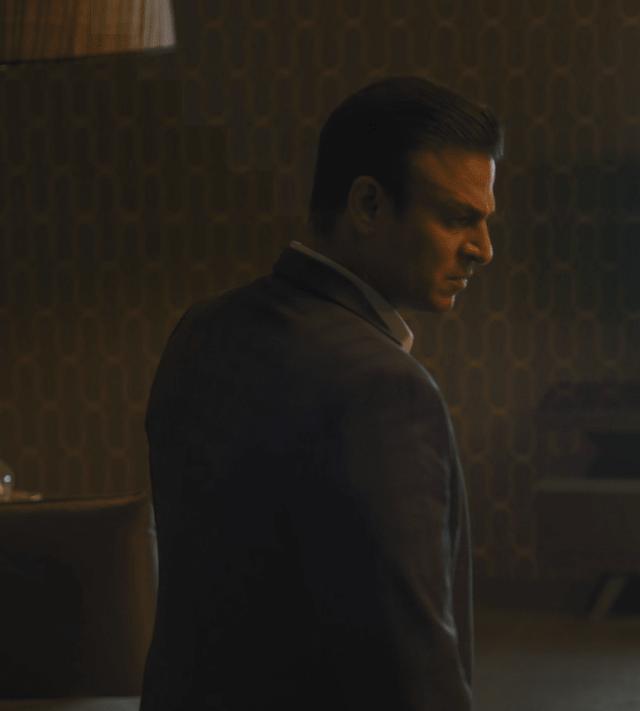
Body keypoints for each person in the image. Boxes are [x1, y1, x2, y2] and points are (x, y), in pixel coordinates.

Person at [140, 76, 500, 710]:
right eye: (456, 218)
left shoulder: (202, 327)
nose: (483, 250)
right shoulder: (384, 389)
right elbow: (410, 673)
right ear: (367, 205)